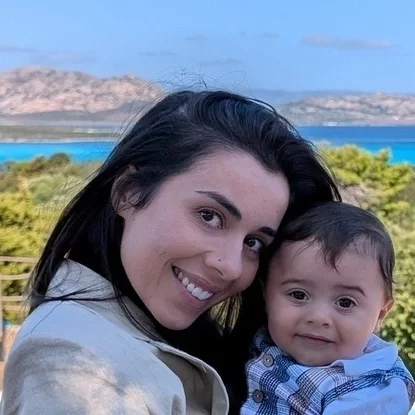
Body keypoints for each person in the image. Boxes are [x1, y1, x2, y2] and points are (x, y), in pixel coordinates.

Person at [1, 91, 340, 415]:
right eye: (209, 216)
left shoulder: (169, 332)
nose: (231, 267)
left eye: (253, 242)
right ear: (129, 192)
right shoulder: (74, 367)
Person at [241, 202, 415, 415]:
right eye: (298, 295)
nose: (318, 317)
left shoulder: (370, 393)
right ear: (266, 295)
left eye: (345, 302)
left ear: (380, 315)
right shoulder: (261, 339)